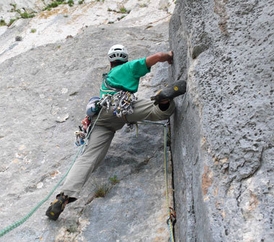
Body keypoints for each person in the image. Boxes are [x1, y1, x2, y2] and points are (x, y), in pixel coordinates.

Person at [46, 44, 186, 220]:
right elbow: (156, 56)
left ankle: (63, 197)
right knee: (160, 111)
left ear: (109, 61)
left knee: (88, 157)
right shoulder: (125, 68)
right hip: (122, 107)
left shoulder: (106, 79)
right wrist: (169, 55)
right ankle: (164, 98)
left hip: (103, 120)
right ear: (124, 59)